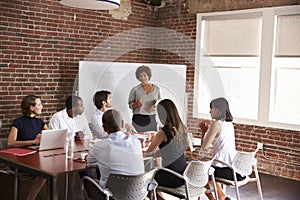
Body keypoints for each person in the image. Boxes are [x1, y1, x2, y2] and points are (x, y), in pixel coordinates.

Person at [143, 99, 193, 198]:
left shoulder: (163, 132)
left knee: (144, 183)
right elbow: (189, 148)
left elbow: (148, 153)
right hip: (183, 174)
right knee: (152, 183)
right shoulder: (182, 128)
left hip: (171, 176)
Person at [199, 97, 246, 200]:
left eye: (211, 108)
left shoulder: (216, 124)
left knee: (200, 174)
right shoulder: (229, 124)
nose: (209, 111)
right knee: (208, 173)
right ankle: (222, 197)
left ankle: (215, 198)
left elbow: (204, 147)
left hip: (223, 167)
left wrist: (203, 132)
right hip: (234, 167)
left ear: (218, 110)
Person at [87, 109, 144, 188]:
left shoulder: (99, 146)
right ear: (122, 124)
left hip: (111, 195)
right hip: (138, 193)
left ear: (104, 128)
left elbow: (89, 162)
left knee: (87, 178)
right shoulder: (136, 142)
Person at [7, 95, 48, 200]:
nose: (42, 106)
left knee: (50, 171)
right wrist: (33, 141)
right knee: (45, 173)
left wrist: (43, 137)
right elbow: (11, 143)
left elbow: (50, 135)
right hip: (20, 160)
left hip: (35, 158)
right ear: (31, 108)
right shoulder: (18, 122)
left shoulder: (40, 122)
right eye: (39, 104)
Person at [128, 65, 161, 132]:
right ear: (138, 77)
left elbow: (159, 101)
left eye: (145, 75)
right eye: (140, 76)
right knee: (138, 138)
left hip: (151, 118)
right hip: (138, 118)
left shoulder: (156, 89)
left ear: (148, 75)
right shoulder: (135, 89)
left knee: (152, 139)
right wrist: (137, 104)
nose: (143, 78)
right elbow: (130, 105)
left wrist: (155, 106)